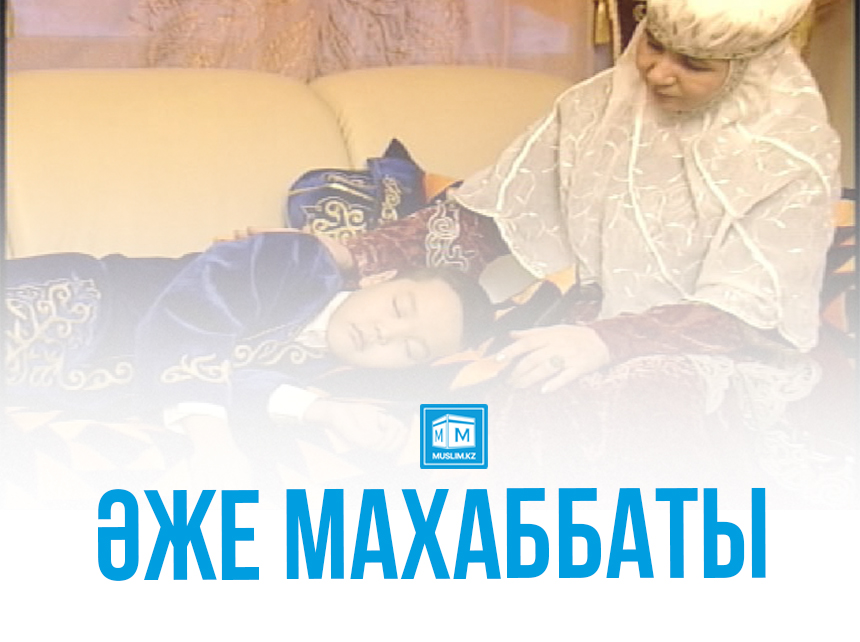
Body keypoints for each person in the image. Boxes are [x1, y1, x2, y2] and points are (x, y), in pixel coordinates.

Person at [329, 0, 847, 494]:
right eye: (654, 44)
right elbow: (490, 219)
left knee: (644, 391)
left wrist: (605, 342)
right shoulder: (593, 106)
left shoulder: (790, 161)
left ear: (750, 69)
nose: (658, 72)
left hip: (716, 353)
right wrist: (352, 254)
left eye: (693, 64)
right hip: (577, 324)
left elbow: (746, 314)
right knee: (506, 384)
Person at [4, 232, 494, 457]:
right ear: (379, 278)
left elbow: (244, 384)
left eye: (411, 349)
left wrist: (324, 412)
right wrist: (212, 442)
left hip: (66, 390)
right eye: (399, 308)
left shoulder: (321, 366)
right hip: (67, 308)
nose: (387, 333)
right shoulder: (300, 261)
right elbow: (197, 313)